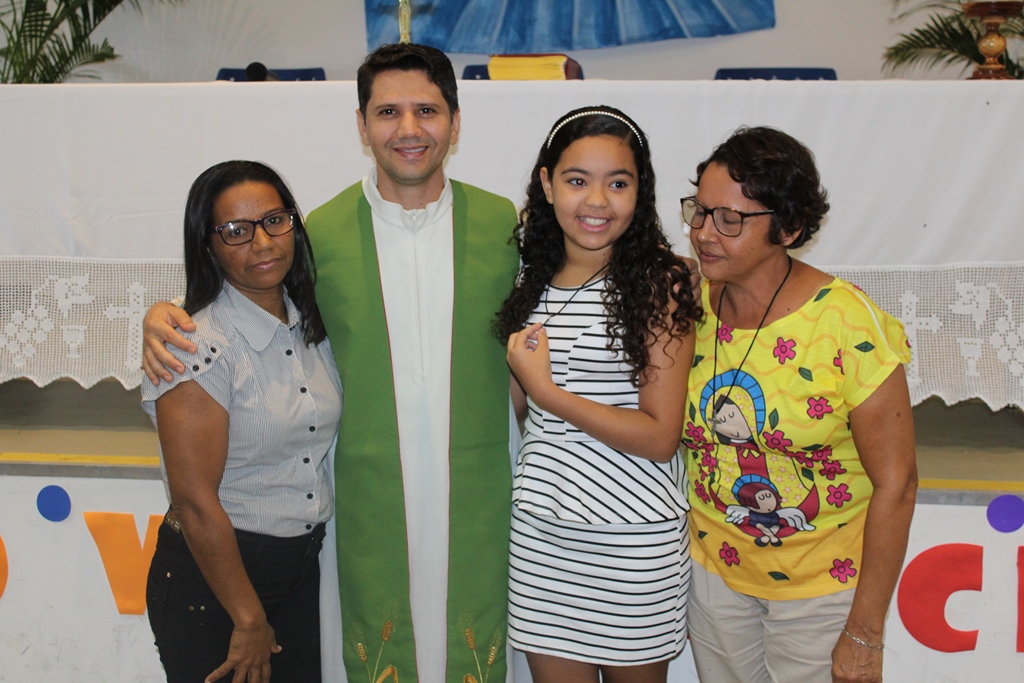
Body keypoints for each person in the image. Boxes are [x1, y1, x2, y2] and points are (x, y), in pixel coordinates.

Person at [141, 44, 520, 683]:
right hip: (363, 497)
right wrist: (162, 314)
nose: (408, 129)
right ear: (361, 125)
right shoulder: (323, 232)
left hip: (478, 484)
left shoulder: (502, 224)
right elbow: (244, 295)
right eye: (387, 112)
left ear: (455, 123)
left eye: (427, 110)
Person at [679, 126, 917, 683]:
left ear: (788, 228)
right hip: (715, 577)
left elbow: (898, 482)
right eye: (700, 211)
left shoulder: (846, 324)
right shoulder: (687, 304)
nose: (704, 233)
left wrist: (865, 631)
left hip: (823, 590)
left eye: (730, 219)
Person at [496, 106, 701, 683]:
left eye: (617, 183)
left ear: (640, 191)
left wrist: (548, 392)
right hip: (542, 535)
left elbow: (660, 437)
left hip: (631, 541)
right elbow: (517, 411)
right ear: (547, 184)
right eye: (577, 180)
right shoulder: (527, 280)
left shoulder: (662, 283)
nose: (597, 201)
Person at [142, 160, 342, 683]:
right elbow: (194, 501)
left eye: (275, 221)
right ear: (208, 245)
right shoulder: (195, 346)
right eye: (236, 231)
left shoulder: (310, 322)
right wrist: (248, 617)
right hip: (217, 583)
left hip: (301, 572)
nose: (263, 243)